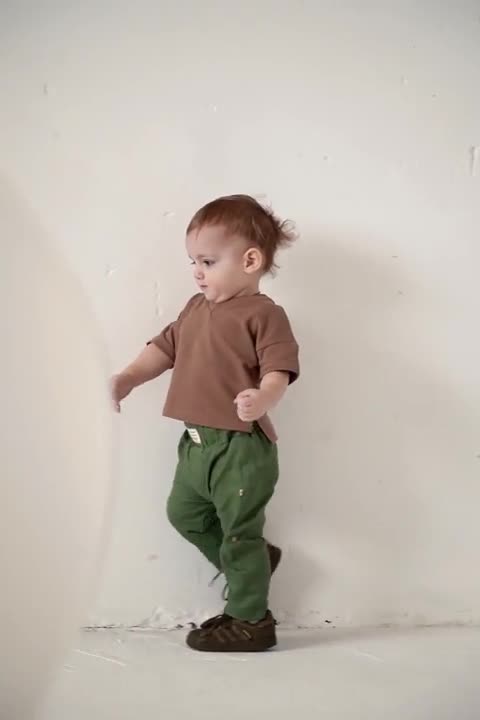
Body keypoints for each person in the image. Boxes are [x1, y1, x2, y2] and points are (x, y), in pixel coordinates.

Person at [111, 194, 300, 652]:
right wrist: (128, 378)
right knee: (184, 514)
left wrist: (263, 397)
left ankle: (252, 621)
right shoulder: (195, 308)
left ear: (250, 261)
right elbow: (163, 349)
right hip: (195, 443)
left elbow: (278, 369)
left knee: (239, 533)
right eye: (193, 261)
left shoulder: (265, 315)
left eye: (208, 261)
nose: (197, 271)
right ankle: (252, 565)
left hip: (240, 447)